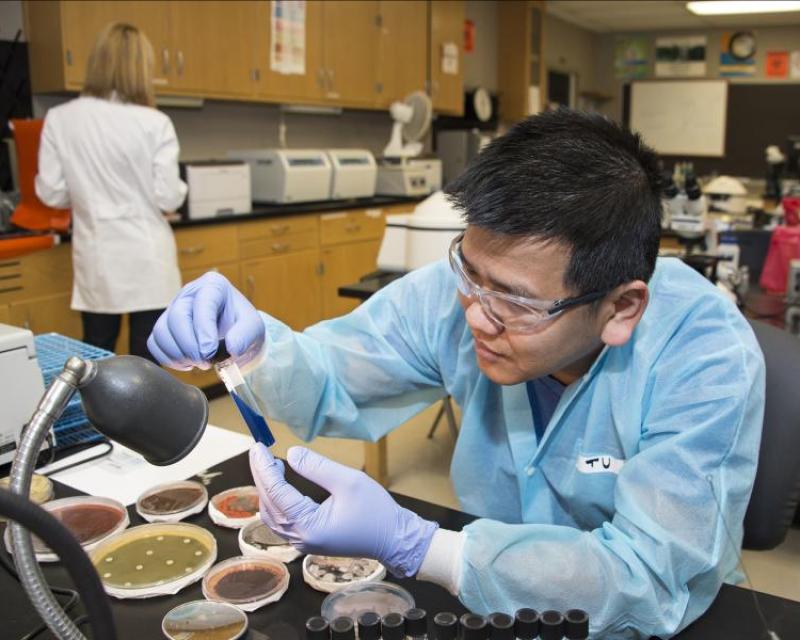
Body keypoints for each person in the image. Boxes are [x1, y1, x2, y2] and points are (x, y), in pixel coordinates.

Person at [148, 110, 765, 639]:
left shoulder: (704, 355)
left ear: (620, 308)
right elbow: (336, 374)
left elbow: (646, 578)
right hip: (488, 592)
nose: (476, 313)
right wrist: (252, 348)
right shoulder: (466, 291)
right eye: (468, 272)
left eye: (517, 303)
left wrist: (422, 547)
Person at [36, 22, 186, 360]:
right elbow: (169, 197)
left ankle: (96, 417)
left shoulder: (60, 118)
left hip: (97, 256)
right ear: (141, 69)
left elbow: (52, 194)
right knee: (145, 364)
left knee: (96, 356)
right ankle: (144, 416)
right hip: (148, 259)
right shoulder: (154, 122)